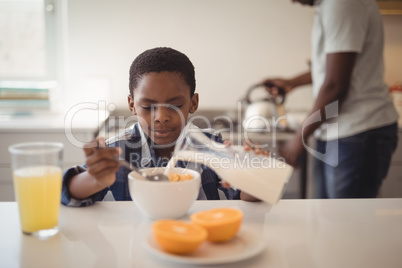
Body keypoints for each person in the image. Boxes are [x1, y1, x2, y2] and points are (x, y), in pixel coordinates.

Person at [62, 47, 258, 207]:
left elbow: (245, 196)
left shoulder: (211, 144)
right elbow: (67, 194)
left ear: (193, 103)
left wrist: (258, 175)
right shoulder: (118, 151)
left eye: (176, 105)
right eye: (148, 107)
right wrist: (94, 180)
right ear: (132, 105)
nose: (161, 117)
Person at [262, 0, 399, 198]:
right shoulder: (330, 6)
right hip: (339, 130)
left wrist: (298, 139)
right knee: (327, 218)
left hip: (358, 131)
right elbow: (334, 70)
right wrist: (290, 83)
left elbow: (335, 85)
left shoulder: (342, 4)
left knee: (344, 224)